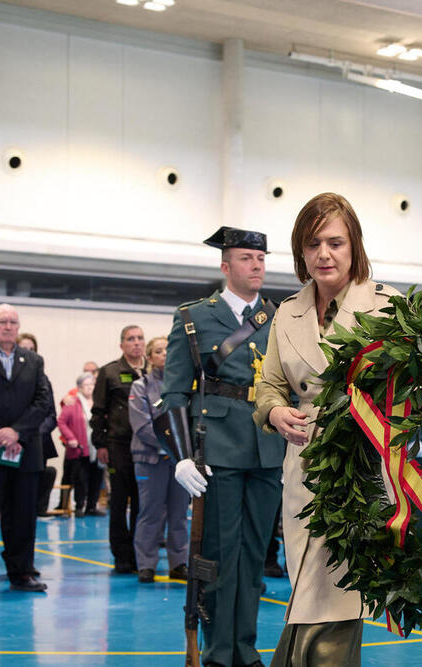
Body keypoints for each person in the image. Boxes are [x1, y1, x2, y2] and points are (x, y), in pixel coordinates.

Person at [254, 192, 400, 667]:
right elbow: (270, 388)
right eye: (313, 243)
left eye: (335, 242)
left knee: (336, 592)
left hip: (363, 468)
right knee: (308, 587)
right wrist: (276, 414)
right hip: (302, 472)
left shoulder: (390, 307)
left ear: (354, 246)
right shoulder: (286, 313)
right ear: (300, 251)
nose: (324, 254)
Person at [162, 226, 284, 667]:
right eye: (247, 258)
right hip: (216, 450)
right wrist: (180, 456)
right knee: (218, 555)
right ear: (226, 265)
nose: (257, 266)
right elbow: (174, 392)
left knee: (253, 557)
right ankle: (217, 653)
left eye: (261, 259)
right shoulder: (195, 317)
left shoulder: (280, 318)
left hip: (267, 449)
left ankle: (245, 650)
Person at [0, 304, 51, 592]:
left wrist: (17, 432)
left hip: (25, 451)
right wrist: (1, 433)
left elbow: (42, 402)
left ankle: (22, 573)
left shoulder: (33, 361)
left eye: (12, 322)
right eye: (2, 321)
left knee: (23, 516)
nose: (7, 326)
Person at [129, 336, 189, 584]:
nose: (164, 354)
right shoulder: (140, 386)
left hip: (179, 463)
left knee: (178, 514)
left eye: (168, 350)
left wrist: (181, 450)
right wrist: (171, 444)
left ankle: (179, 562)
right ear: (150, 357)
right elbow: (141, 426)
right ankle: (146, 564)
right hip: (150, 459)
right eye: (158, 351)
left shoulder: (186, 385)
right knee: (150, 513)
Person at [91, 325, 146, 573]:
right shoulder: (110, 372)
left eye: (140, 338)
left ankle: (140, 551)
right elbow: (98, 412)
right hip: (119, 445)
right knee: (119, 500)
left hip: (147, 446)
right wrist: (101, 444)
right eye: (130, 339)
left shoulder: (153, 372)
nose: (136, 343)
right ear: (122, 345)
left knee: (142, 502)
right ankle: (122, 555)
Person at [16, 334, 60, 519]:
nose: (28, 352)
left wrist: (34, 432)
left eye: (31, 349)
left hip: (37, 442)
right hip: (11, 441)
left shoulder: (43, 379)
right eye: (24, 348)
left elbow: (50, 415)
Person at [57, 373, 103, 517]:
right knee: (80, 478)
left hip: (97, 447)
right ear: (79, 387)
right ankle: (79, 506)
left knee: (97, 477)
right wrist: (70, 438)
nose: (90, 388)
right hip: (80, 448)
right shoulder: (72, 403)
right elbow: (61, 422)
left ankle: (92, 506)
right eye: (86, 385)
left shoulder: (99, 402)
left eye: (92, 385)